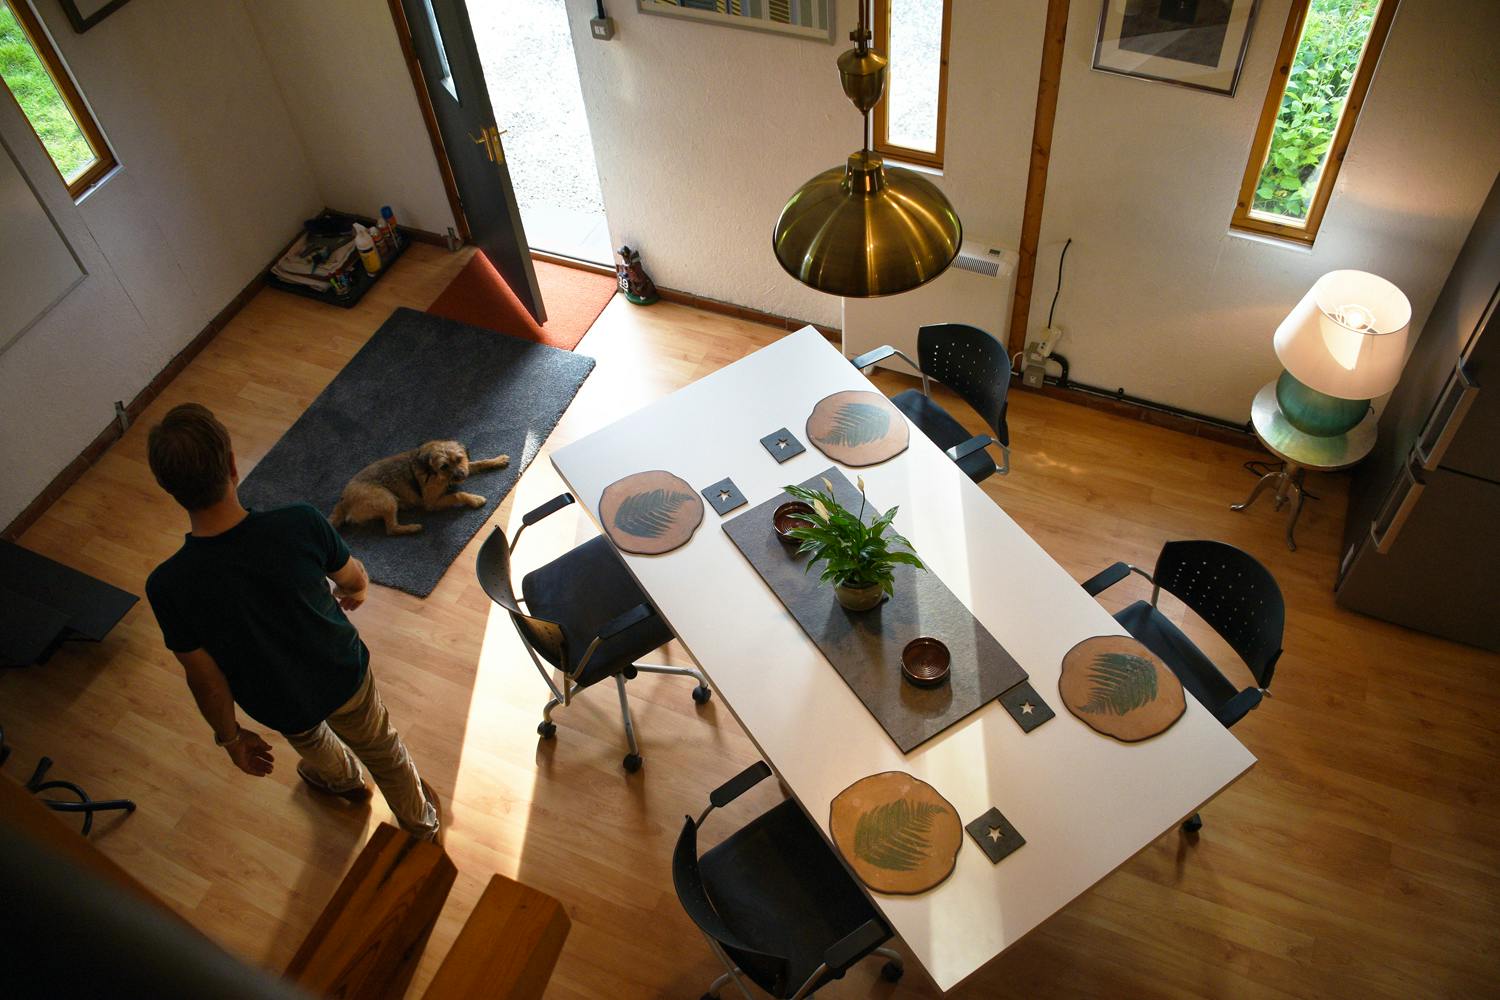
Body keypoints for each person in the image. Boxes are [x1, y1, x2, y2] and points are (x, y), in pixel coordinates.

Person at [143, 403, 440, 841]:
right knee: (382, 748)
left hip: (276, 698)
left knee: (312, 740)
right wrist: (356, 590)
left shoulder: (166, 586)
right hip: (342, 673)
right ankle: (421, 825)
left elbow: (205, 679)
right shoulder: (299, 522)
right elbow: (353, 577)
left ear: (168, 488)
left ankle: (345, 782)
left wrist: (231, 738)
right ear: (231, 465)